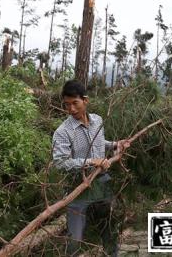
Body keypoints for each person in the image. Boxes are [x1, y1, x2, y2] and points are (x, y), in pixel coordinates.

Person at [52, 80, 130, 256]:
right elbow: (61, 162)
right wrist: (91, 162)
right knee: (75, 238)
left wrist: (116, 144)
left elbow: (99, 143)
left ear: (85, 100)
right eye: (67, 105)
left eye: (75, 103)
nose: (71, 109)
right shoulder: (63, 132)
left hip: (102, 184)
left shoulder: (97, 121)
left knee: (109, 230)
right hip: (77, 189)